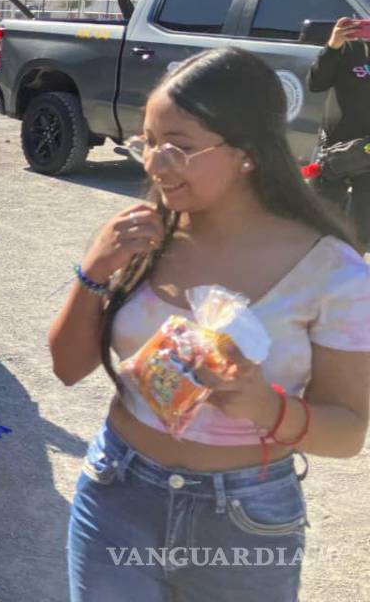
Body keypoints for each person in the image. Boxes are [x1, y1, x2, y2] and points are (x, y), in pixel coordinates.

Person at [48, 48, 370, 601]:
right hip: (116, 492)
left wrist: (262, 407)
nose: (153, 163)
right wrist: (95, 271)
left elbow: (347, 433)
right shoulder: (146, 237)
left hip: (245, 518)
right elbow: (67, 368)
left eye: (179, 147)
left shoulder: (332, 272)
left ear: (247, 153)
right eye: (147, 141)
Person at [306, 17, 370, 242]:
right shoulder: (349, 47)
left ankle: (352, 274)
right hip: (336, 148)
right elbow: (316, 84)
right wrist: (333, 46)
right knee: (318, 222)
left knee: (362, 228)